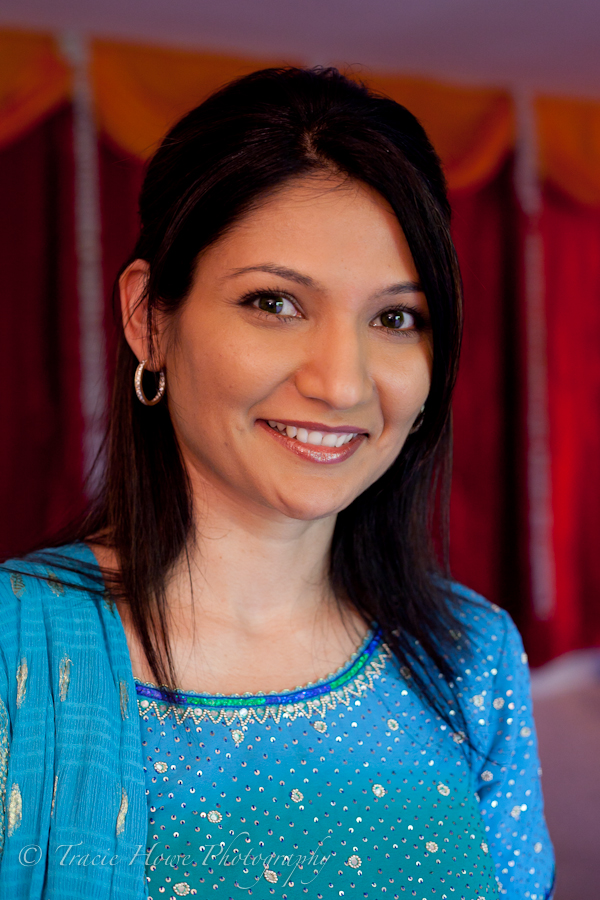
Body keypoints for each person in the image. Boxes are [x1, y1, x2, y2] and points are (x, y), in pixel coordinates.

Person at [0, 67, 554, 899]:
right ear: (149, 317)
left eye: (395, 318)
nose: (341, 382)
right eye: (274, 303)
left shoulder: (471, 659)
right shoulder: (16, 646)